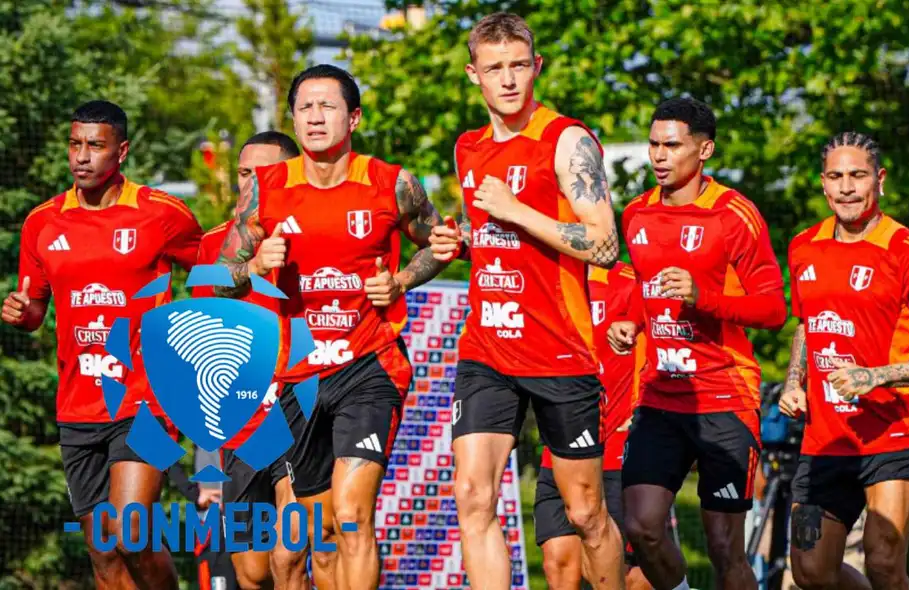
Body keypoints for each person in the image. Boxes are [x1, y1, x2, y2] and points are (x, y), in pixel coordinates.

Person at [215, 65, 449, 590]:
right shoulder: (267, 189)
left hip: (369, 363)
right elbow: (218, 278)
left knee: (351, 512)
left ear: (354, 117)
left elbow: (440, 245)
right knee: (315, 531)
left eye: (328, 106)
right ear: (293, 119)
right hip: (298, 376)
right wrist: (252, 268)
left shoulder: (392, 183)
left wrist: (402, 282)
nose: (315, 117)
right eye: (305, 108)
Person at [428, 12, 625, 590]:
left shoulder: (567, 140)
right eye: (495, 69)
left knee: (586, 513)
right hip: (487, 347)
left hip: (559, 349)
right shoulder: (468, 148)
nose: (508, 79)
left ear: (536, 66)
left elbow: (606, 246)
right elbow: (494, 239)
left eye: (519, 65)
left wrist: (517, 209)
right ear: (474, 75)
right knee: (472, 495)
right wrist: (460, 242)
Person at [2, 100, 203, 589]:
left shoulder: (160, 213)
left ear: (122, 150)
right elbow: (34, 311)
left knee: (131, 529)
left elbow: (214, 271)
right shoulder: (43, 223)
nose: (82, 156)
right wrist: (20, 313)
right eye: (75, 144)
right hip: (78, 404)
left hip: (145, 396)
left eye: (95, 145)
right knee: (104, 553)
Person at [608, 97, 786, 590]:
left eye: (672, 145)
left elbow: (774, 309)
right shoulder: (637, 214)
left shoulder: (734, 215)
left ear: (704, 149)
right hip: (661, 395)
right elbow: (642, 293)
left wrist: (703, 297)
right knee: (641, 526)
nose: (659, 155)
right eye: (653, 144)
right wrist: (628, 323)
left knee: (725, 547)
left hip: (723, 396)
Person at [779, 131, 909, 590]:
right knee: (810, 572)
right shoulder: (804, 247)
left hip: (893, 435)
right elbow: (807, 324)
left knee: (883, 564)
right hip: (826, 439)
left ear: (879, 180)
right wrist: (792, 382)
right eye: (836, 176)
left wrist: (876, 376)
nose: (846, 187)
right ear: (823, 184)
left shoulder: (906, 250)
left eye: (858, 175)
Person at [194, 130, 309, 590]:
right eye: (244, 173)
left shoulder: (311, 233)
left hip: (298, 407)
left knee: (290, 557)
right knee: (253, 570)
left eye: (263, 175)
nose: (250, 184)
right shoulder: (213, 245)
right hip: (239, 420)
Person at [534, 262, 654, 590]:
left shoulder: (629, 281)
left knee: (630, 576)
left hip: (616, 447)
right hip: (561, 446)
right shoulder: (544, 278)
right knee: (559, 562)